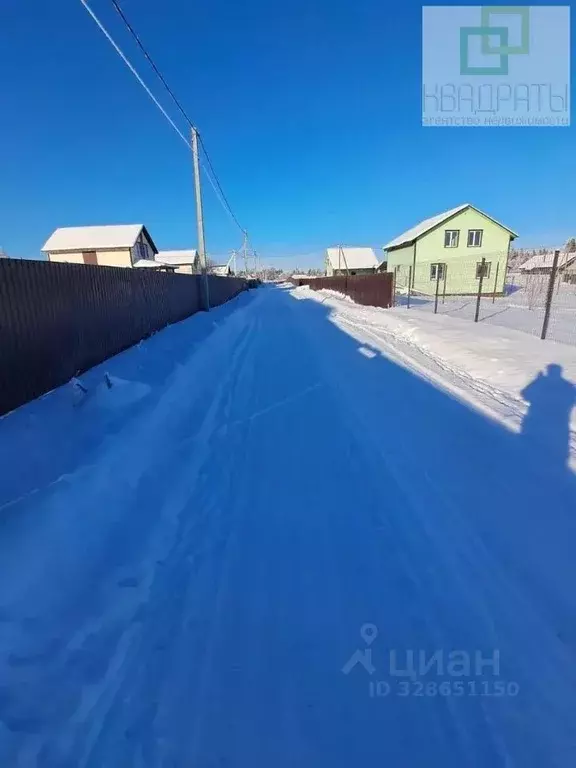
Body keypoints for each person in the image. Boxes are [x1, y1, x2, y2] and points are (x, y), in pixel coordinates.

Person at [521, 364, 576, 467]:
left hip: (538, 420)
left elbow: (525, 394)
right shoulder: (567, 386)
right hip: (559, 423)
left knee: (533, 447)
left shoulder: (541, 382)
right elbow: (572, 399)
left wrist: (536, 382)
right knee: (559, 451)